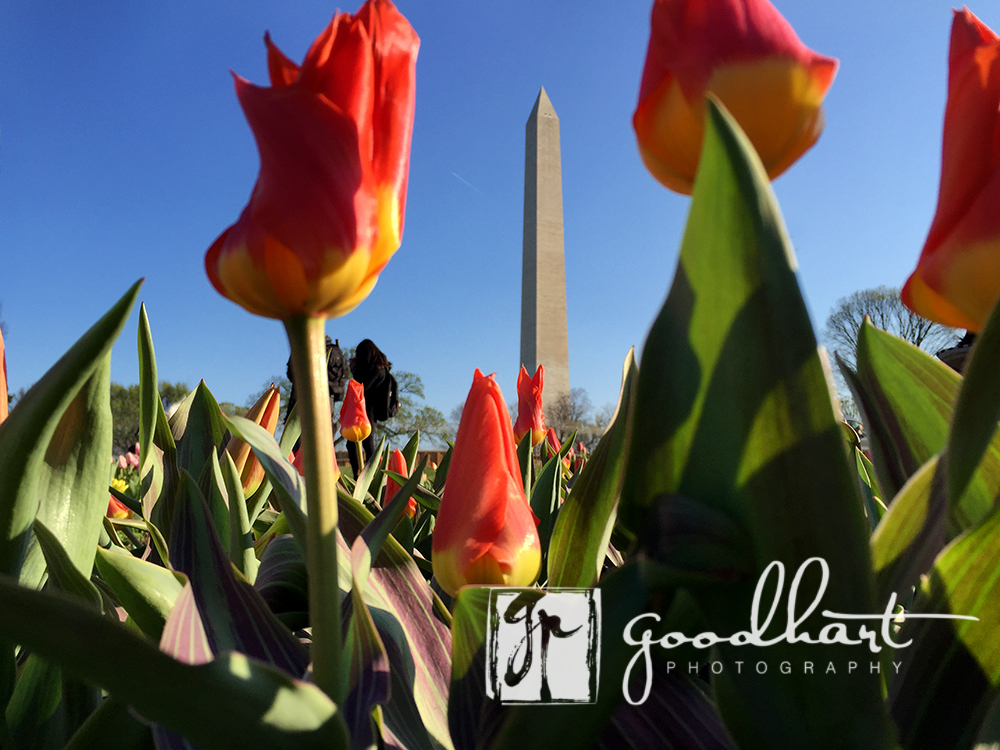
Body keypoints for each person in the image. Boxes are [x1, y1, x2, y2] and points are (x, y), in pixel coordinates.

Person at [346, 339, 392, 477]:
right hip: (367, 411)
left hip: (368, 411)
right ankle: (362, 474)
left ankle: (367, 475)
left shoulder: (378, 370)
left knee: (366, 443)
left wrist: (353, 368)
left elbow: (361, 387)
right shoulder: (379, 368)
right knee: (357, 444)